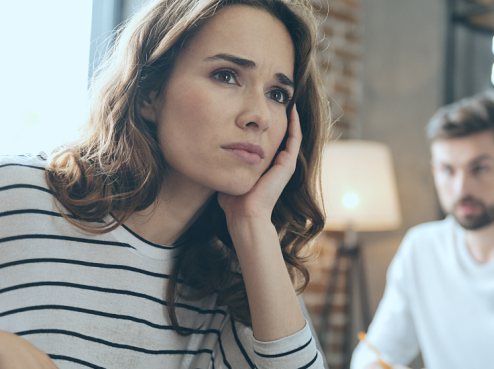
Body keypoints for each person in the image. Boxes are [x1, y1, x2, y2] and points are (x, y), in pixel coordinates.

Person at [0, 0, 331, 368]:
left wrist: (252, 222)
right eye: (226, 75)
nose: (258, 116)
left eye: (277, 94)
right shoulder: (16, 194)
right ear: (149, 94)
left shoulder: (247, 283)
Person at [351, 97, 494, 369]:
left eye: (479, 168)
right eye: (447, 170)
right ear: (434, 171)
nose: (461, 189)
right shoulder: (421, 249)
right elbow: (375, 353)